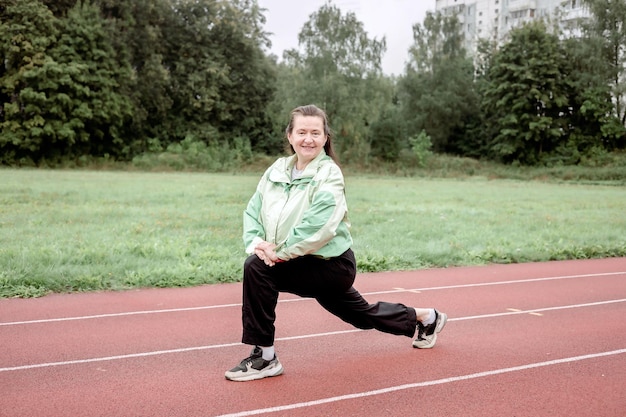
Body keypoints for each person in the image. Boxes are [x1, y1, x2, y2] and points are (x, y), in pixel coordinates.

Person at [225, 104, 447, 382]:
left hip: (331, 265)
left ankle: (265, 358)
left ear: (325, 137)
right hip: (296, 259)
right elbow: (253, 211)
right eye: (302, 132)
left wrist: (276, 254)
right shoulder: (277, 170)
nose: (308, 139)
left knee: (257, 269)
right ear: (290, 136)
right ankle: (427, 318)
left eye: (315, 133)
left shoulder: (329, 174)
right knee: (362, 316)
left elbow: (319, 226)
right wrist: (259, 244)